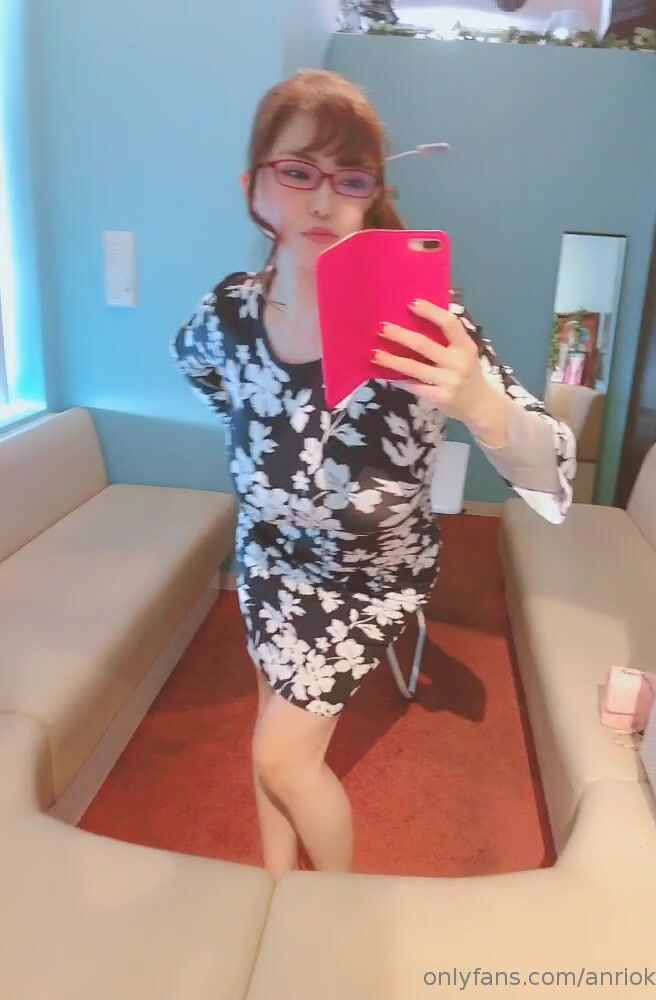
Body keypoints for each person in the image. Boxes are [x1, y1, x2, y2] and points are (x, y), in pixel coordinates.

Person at [170, 69, 576, 882]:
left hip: (368, 576)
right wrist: (264, 449)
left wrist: (477, 402)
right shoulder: (230, 311)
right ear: (255, 187)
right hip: (267, 557)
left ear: (371, 197)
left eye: (350, 179)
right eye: (299, 171)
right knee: (270, 728)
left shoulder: (422, 323)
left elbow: (551, 464)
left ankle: (334, 910)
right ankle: (276, 887)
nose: (323, 201)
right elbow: (199, 367)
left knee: (282, 756)